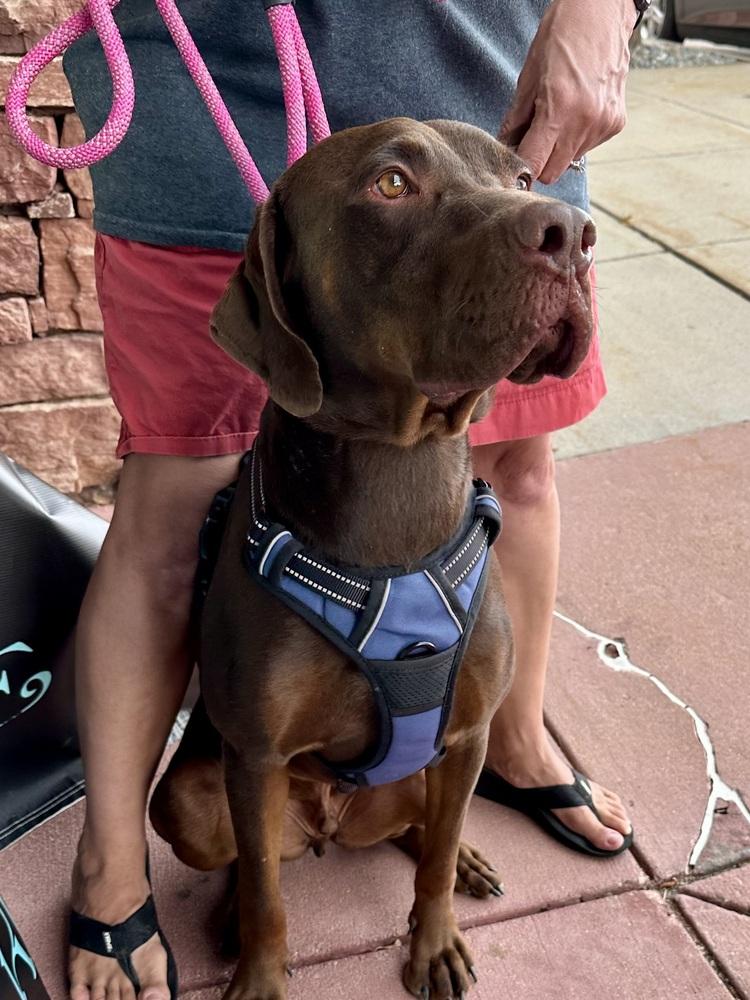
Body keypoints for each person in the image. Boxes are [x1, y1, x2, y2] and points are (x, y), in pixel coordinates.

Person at [62, 1, 636, 997]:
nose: (564, 231)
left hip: (498, 74)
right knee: (169, 515)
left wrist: (599, 7)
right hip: (208, 94)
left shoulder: (522, 200)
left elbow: (520, 192)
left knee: (520, 469)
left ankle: (511, 741)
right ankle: (110, 869)